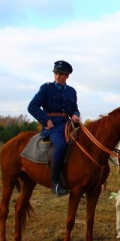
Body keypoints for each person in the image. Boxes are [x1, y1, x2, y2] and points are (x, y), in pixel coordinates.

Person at [28, 60, 81, 196]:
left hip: (67, 124)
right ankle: (55, 182)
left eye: (61, 74)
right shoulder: (46, 88)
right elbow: (32, 106)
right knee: (61, 145)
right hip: (52, 126)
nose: (57, 76)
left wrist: (75, 115)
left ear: (67, 76)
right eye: (56, 73)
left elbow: (74, 109)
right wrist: (46, 120)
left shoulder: (71, 91)